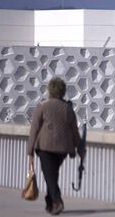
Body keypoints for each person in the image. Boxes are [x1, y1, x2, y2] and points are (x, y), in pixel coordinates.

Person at [27, 77, 80, 215]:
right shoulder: (68, 108)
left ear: (50, 90)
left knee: (49, 176)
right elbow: (74, 131)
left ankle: (57, 201)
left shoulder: (42, 106)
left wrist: (30, 151)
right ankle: (50, 203)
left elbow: (34, 129)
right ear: (63, 91)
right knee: (52, 175)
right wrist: (77, 149)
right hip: (62, 149)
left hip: (45, 147)